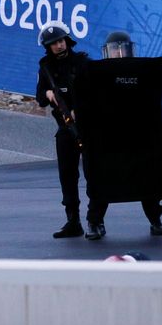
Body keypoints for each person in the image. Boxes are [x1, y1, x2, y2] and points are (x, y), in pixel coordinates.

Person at [95, 30, 162, 236]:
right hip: (110, 138)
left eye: (123, 49)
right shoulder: (99, 75)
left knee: (147, 181)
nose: (119, 53)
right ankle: (96, 221)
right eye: (114, 49)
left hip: (138, 136)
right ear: (107, 52)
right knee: (103, 181)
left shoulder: (142, 72)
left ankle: (155, 219)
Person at [36, 21, 103, 239]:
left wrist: (78, 110)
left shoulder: (82, 63)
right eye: (54, 43)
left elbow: (96, 94)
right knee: (67, 174)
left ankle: (95, 221)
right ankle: (72, 221)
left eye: (61, 41)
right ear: (48, 46)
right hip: (65, 129)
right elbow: (40, 99)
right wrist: (47, 92)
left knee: (94, 175)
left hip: (87, 126)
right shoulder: (46, 67)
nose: (59, 46)